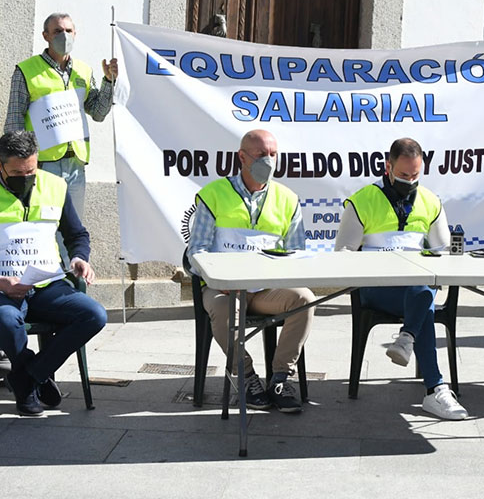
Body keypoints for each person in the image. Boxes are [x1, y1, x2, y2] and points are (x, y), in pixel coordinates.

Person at [0, 131, 107, 417]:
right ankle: (29, 388)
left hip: (48, 284)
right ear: (0, 165)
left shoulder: (55, 187)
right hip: (1, 288)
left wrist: (78, 258)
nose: (24, 177)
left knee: (94, 315)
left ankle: (26, 378)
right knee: (6, 321)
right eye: (16, 172)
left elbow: (77, 234)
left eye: (31, 171)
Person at [335, 138, 468, 421]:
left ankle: (409, 342)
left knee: (422, 292)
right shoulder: (362, 200)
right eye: (404, 175)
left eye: (416, 175)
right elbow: (343, 254)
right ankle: (435, 388)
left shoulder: (431, 201)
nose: (410, 181)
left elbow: (441, 252)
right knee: (424, 298)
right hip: (375, 290)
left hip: (415, 289)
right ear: (388, 167)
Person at [186, 129, 315, 413]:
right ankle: (245, 377)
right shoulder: (213, 194)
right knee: (222, 310)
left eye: (273, 155)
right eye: (260, 155)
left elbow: (296, 253)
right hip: (224, 288)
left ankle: (280, 378)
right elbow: (197, 252)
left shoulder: (287, 198)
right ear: (242, 157)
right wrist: (220, 279)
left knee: (304, 298)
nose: (268, 161)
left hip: (266, 288)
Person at [5, 12, 119, 228]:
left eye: (68, 31)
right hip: (42, 164)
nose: (63, 36)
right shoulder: (26, 70)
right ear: (45, 36)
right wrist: (21, 165)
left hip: (75, 164)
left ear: (75, 34)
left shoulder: (83, 71)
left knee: (72, 228)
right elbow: (13, 122)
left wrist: (108, 81)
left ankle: (71, 264)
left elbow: (97, 112)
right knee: (43, 225)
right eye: (57, 31)